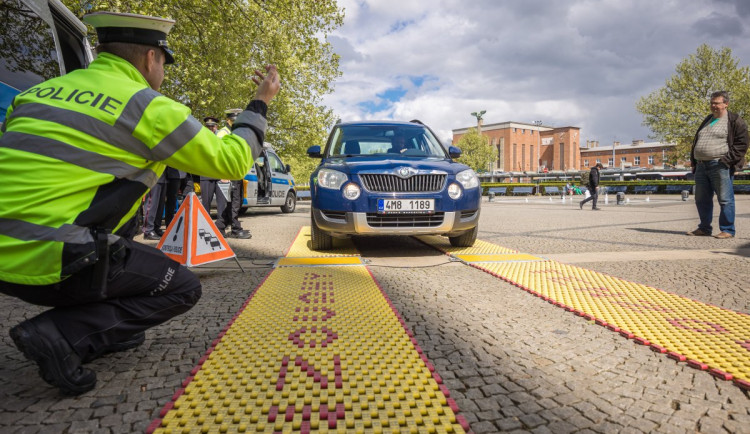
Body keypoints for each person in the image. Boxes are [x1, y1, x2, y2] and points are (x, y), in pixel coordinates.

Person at [0, 11, 280, 395]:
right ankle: (62, 334)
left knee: (128, 242)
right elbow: (231, 162)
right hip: (49, 258)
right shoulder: (147, 107)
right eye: (165, 62)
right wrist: (260, 103)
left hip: (4, 257)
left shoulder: (36, 94)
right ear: (152, 58)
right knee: (181, 287)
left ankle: (106, 330)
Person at [687, 91, 748, 238]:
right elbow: (697, 142)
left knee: (725, 199)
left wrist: (726, 161)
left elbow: (742, 144)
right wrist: (694, 161)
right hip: (701, 165)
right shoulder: (708, 119)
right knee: (701, 199)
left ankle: (727, 229)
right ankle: (704, 228)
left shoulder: (734, 120)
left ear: (726, 104)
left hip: (719, 164)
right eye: (712, 103)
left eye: (717, 103)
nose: (713, 106)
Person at [215, 109, 251, 239]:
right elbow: (219, 154)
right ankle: (227, 228)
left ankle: (231, 226)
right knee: (227, 203)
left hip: (236, 173)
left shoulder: (237, 133)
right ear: (228, 121)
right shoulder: (223, 133)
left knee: (236, 202)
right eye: (233, 121)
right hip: (227, 173)